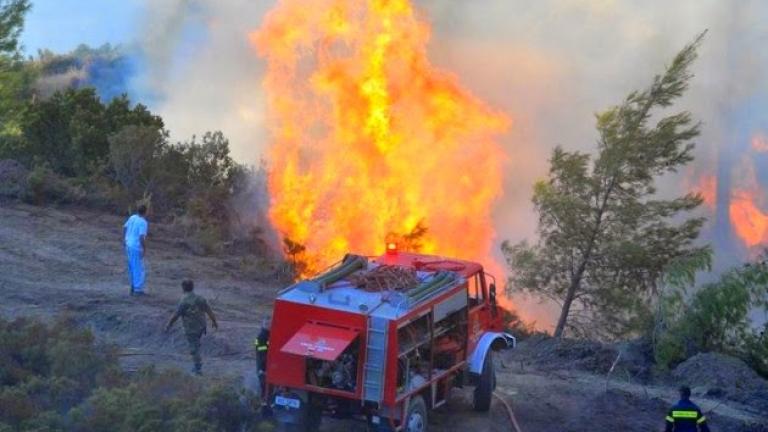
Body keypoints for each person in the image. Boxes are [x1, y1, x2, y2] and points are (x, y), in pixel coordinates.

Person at [164, 280, 219, 375]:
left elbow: (176, 315)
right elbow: (209, 310)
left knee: (194, 349)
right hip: (201, 326)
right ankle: (197, 363)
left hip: (191, 328)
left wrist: (168, 325)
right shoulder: (200, 298)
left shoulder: (184, 301)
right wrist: (214, 321)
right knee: (196, 344)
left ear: (183, 288)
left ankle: (198, 369)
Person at [123, 205, 149, 295]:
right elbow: (141, 237)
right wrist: (144, 248)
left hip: (128, 244)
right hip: (135, 246)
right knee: (138, 268)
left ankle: (133, 286)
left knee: (132, 266)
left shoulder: (132, 217)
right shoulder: (143, 222)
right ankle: (137, 289)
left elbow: (125, 227)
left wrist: (125, 238)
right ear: (145, 212)